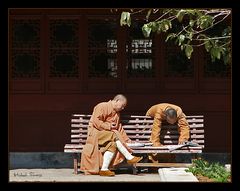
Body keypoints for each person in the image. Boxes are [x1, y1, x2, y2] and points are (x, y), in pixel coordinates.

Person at [80, 94, 143, 176]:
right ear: (117, 101)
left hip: (107, 136)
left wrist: (128, 140)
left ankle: (104, 169)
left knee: (112, 145)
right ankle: (129, 157)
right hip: (95, 133)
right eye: (122, 105)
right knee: (113, 134)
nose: (123, 108)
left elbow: (119, 128)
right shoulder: (102, 106)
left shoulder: (117, 114)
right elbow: (96, 122)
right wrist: (108, 126)